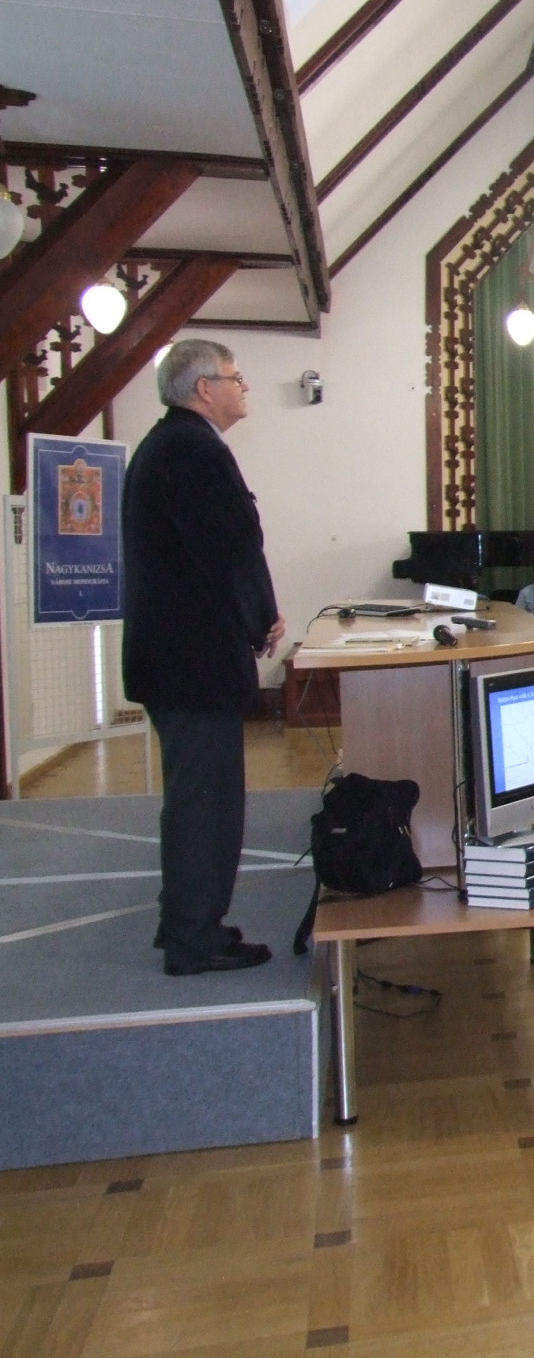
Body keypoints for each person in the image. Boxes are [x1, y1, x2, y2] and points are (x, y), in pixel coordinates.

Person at [123, 340, 283, 975]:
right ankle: (194, 937)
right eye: (235, 378)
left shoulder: (170, 445)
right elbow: (229, 551)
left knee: (197, 799)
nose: (243, 387)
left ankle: (188, 923)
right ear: (203, 388)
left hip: (177, 661)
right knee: (205, 806)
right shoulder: (192, 451)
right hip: (192, 663)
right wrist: (260, 618)